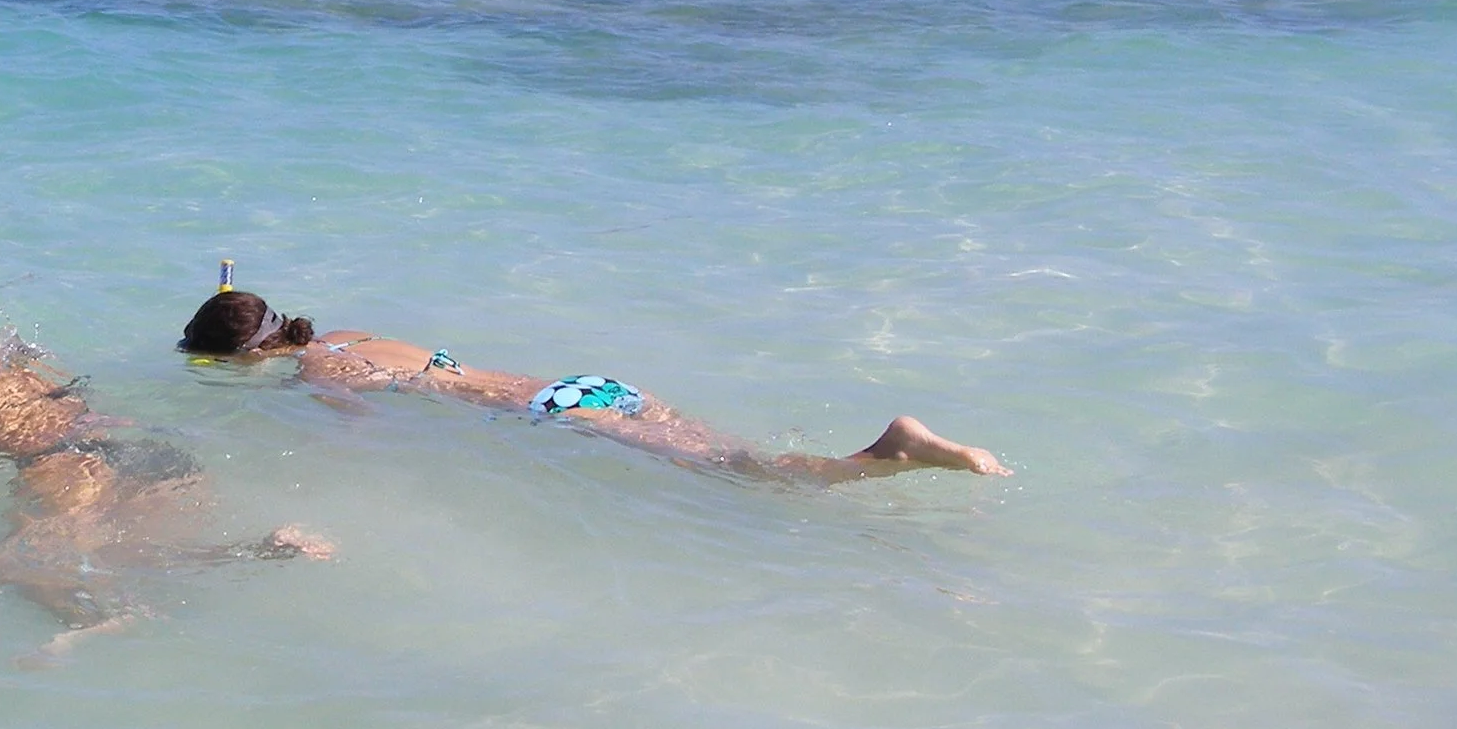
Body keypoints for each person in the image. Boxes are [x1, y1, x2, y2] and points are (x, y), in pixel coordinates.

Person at [0, 275, 330, 645]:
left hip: (62, 468)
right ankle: (263, 549)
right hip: (144, 449)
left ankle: (92, 620)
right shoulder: (21, 363)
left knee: (5, 564)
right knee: (134, 553)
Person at [177, 289, 1007, 483]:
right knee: (734, 457)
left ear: (249, 355)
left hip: (550, 411)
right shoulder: (351, 331)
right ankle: (881, 453)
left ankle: (890, 450)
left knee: (752, 481)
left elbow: (352, 428)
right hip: (578, 384)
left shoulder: (321, 368)